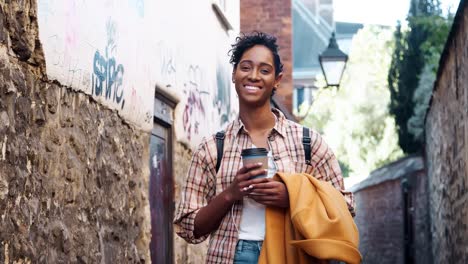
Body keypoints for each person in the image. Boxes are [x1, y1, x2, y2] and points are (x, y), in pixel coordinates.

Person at [174, 31, 355, 264]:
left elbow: (346, 207)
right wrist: (230, 194)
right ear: (234, 74)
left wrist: (293, 197)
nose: (254, 76)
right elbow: (189, 227)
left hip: (292, 255)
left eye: (265, 70)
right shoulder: (212, 148)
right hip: (232, 256)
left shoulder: (308, 143)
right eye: (246, 67)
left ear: (277, 80)